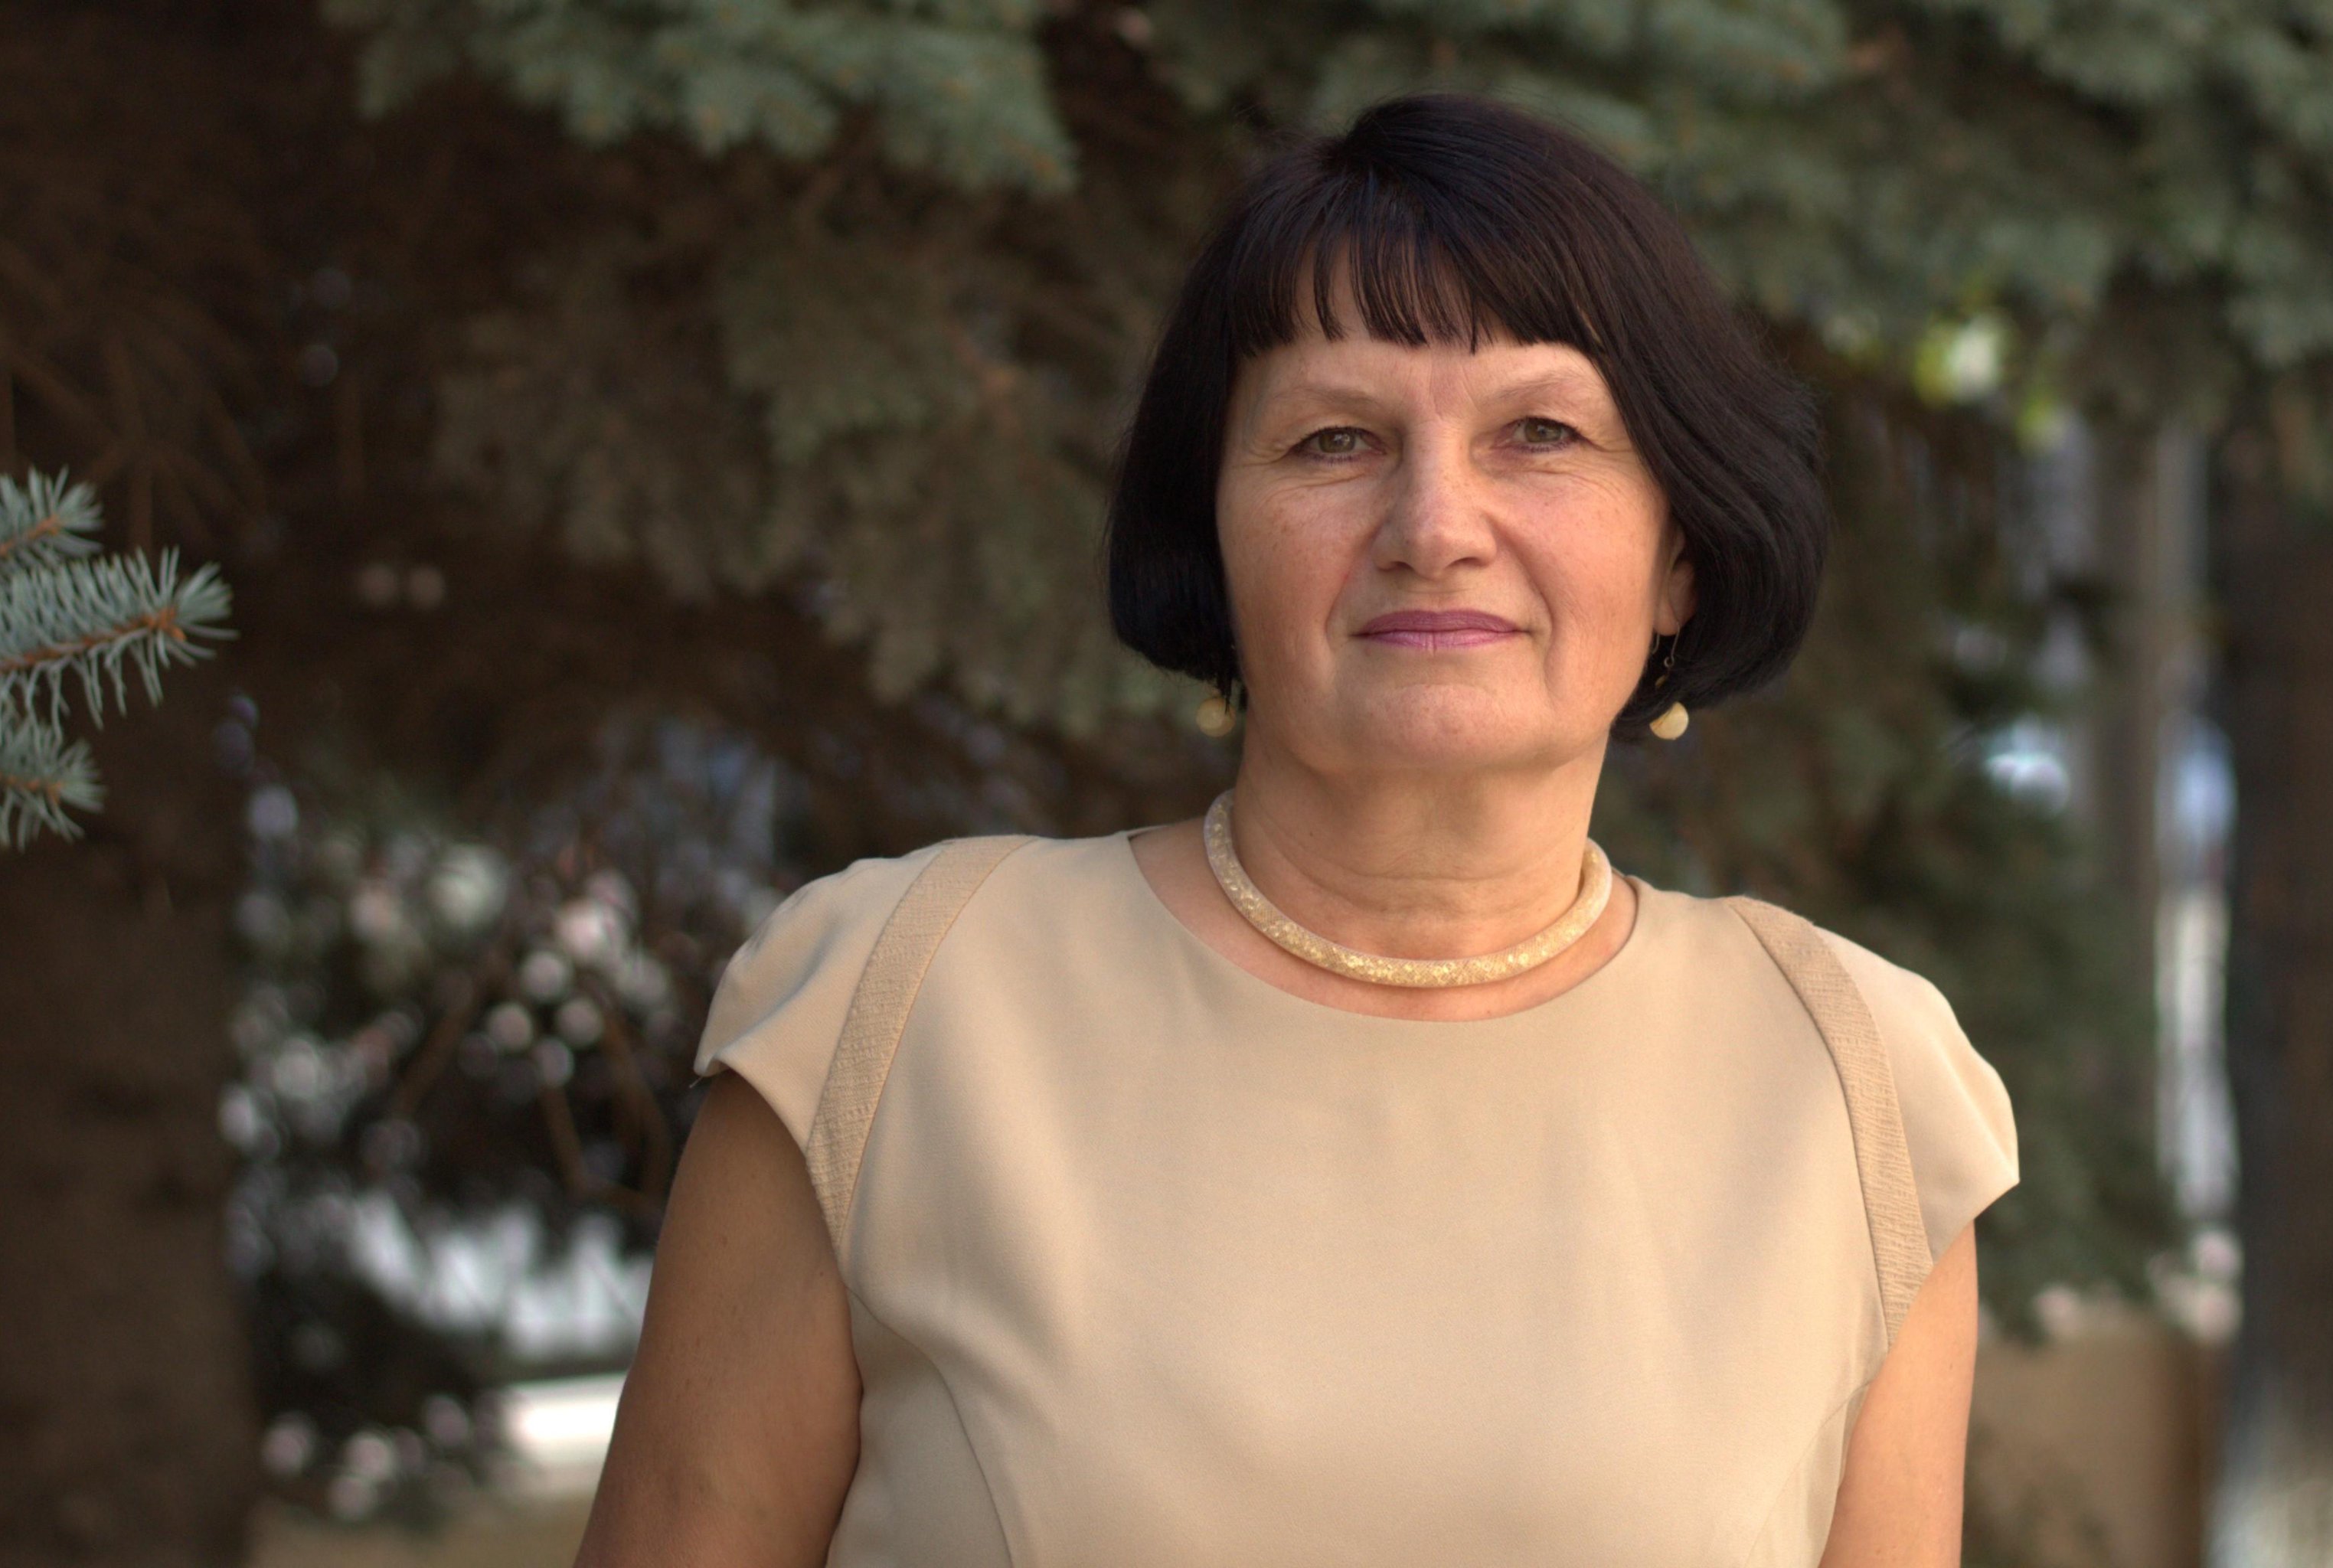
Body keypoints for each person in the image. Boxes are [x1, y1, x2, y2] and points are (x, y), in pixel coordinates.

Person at [576, 90, 2019, 1568]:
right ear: (1214, 539)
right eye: (1336, 440)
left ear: (1683, 558)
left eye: (1539, 432)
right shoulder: (895, 1008)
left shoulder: (1853, 1085)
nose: (1433, 524)